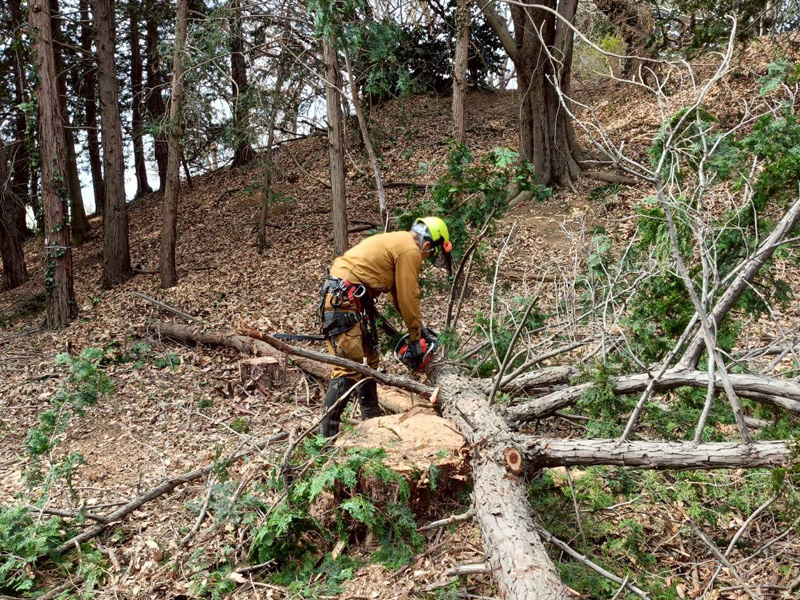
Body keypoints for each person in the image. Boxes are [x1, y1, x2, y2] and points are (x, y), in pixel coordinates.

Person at [318, 217, 452, 437]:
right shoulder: (411, 250)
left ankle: (371, 422)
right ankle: (325, 438)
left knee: (370, 361)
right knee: (347, 366)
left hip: (352, 300)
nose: (427, 258)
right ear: (427, 245)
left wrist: (418, 329)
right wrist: (415, 335)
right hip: (342, 301)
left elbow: (397, 294)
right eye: (430, 253)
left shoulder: (400, 242)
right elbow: (409, 294)